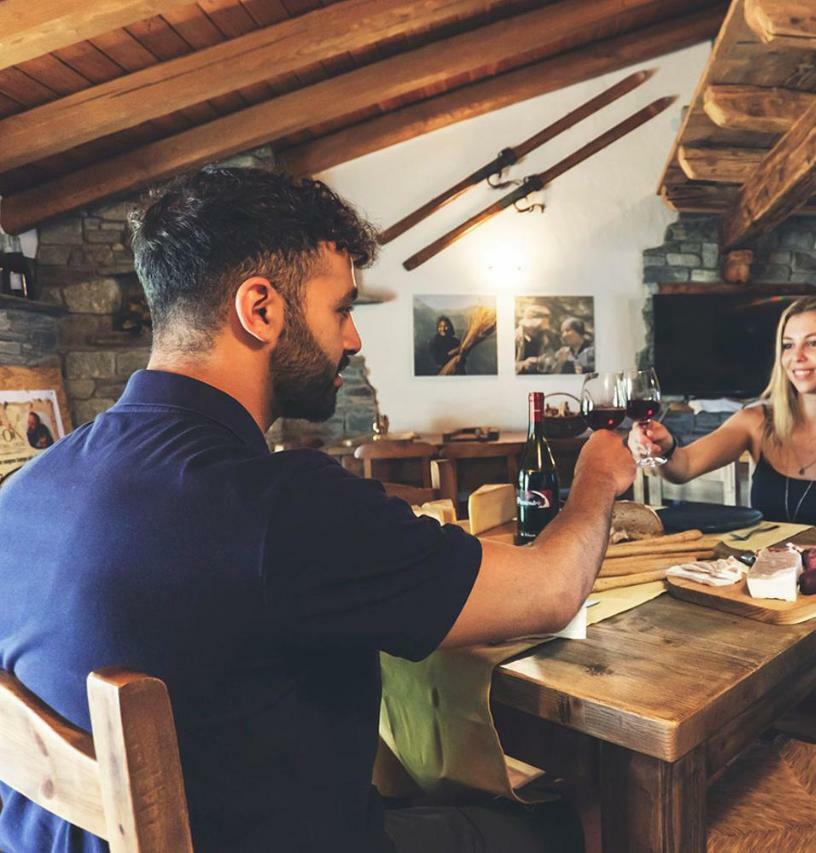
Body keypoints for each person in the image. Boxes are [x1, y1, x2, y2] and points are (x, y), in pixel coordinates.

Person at [0, 167, 636, 853]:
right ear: (261, 308)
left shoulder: (28, 489)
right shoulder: (278, 503)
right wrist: (596, 476)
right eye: (341, 309)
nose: (354, 339)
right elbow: (552, 588)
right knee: (588, 816)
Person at [629, 294, 816, 534]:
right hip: (762, 585)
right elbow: (683, 467)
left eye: (814, 343)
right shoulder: (755, 422)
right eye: (788, 345)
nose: (797, 356)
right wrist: (664, 447)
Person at [515, 304, 554, 374]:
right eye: (538, 326)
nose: (541, 329)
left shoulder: (544, 338)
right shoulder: (514, 338)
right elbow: (503, 368)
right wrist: (523, 365)